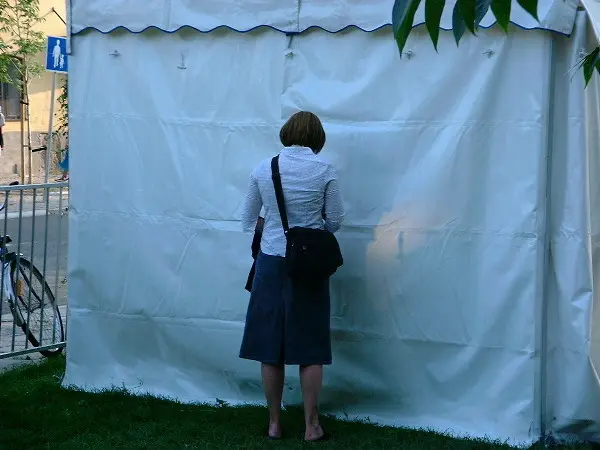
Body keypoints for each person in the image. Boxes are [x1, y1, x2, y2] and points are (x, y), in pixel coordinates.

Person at [240, 111, 344, 442]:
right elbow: (336, 221)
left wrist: (270, 228)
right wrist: (312, 234)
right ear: (317, 138)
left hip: (270, 263)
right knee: (310, 346)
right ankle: (312, 426)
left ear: (286, 134)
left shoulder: (263, 168)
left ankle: (274, 423)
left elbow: (246, 218)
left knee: (270, 346)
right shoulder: (324, 169)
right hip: (308, 267)